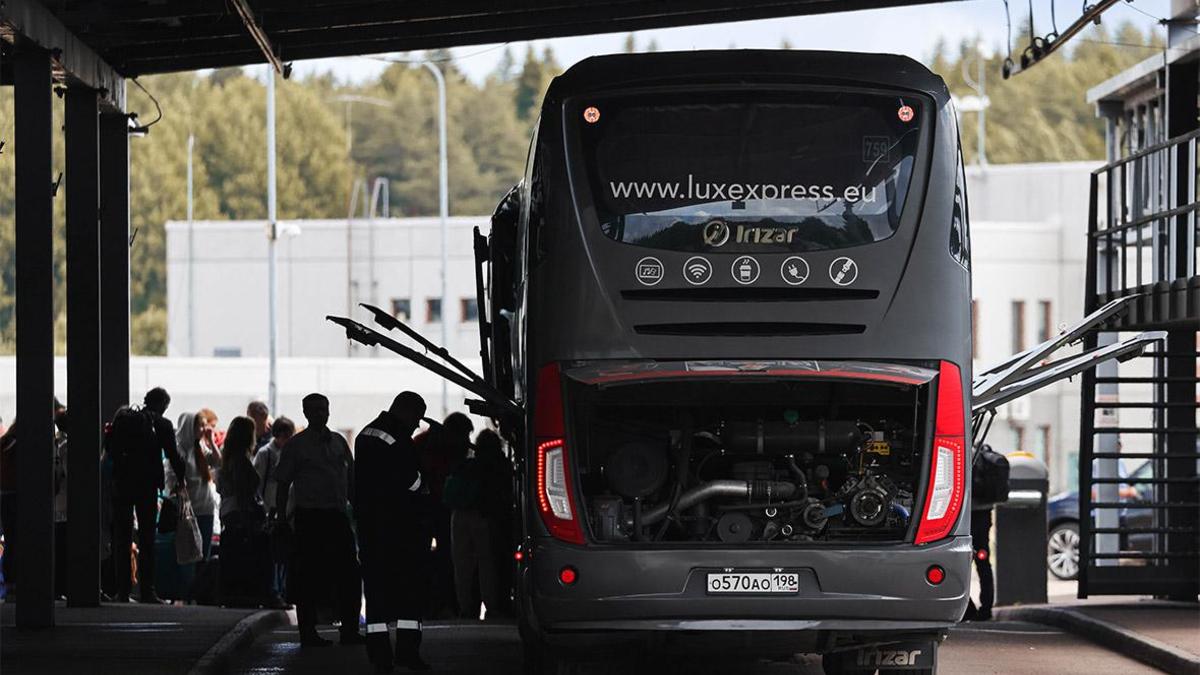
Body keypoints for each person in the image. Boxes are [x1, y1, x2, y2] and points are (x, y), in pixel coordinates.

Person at [274, 393, 363, 647]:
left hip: (337, 515)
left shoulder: (338, 442)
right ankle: (308, 633)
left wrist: (356, 510)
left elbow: (351, 478)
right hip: (310, 517)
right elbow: (283, 483)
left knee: (349, 574)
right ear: (305, 413)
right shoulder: (297, 445)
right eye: (314, 409)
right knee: (308, 577)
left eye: (323, 408)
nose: (320, 413)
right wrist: (282, 518)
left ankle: (349, 629)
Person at [355, 392, 433, 672]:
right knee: (408, 594)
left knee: (377, 594)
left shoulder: (365, 434)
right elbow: (412, 482)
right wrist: (426, 478)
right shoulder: (397, 439)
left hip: (372, 529)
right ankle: (407, 652)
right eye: (416, 418)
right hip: (402, 529)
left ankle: (380, 656)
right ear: (406, 411)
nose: (416, 426)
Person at [110, 387, 187, 604]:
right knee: (147, 539)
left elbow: (112, 451)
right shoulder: (161, 424)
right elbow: (173, 454)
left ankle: (123, 591)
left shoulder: (125, 419)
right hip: (146, 487)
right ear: (163, 405)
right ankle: (147, 591)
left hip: (122, 485)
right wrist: (181, 479)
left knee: (122, 539)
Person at [447, 428, 513, 620]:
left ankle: (466, 608)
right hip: (485, 517)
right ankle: (492, 607)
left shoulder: (467, 465)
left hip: (459, 516)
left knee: (462, 566)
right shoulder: (499, 465)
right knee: (487, 565)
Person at [415, 412, 473, 618]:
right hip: (439, 508)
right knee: (449, 557)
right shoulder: (453, 448)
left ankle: (425, 604)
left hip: (424, 508)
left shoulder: (422, 443)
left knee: (421, 556)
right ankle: (448, 603)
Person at [217, 416, 277, 608]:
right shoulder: (242, 462)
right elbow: (245, 493)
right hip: (243, 515)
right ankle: (263, 595)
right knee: (260, 553)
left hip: (228, 512)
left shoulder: (227, 459)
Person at [169, 410, 221, 562]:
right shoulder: (179, 451)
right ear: (189, 428)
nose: (205, 429)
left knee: (204, 555)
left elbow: (218, 462)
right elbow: (172, 481)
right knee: (190, 556)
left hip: (206, 509)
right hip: (190, 512)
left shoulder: (200, 447)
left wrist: (211, 441)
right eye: (200, 426)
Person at [254, 416, 295, 602]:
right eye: (284, 436)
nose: (287, 440)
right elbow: (258, 482)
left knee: (284, 554)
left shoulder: (291, 453)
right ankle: (274, 590)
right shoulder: (266, 454)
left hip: (287, 512)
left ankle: (283, 590)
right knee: (273, 554)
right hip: (269, 511)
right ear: (277, 435)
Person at [963, 506, 994, 621]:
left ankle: (968, 609)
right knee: (983, 564)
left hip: (964, 514)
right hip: (983, 514)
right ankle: (986, 609)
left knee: (959, 566)